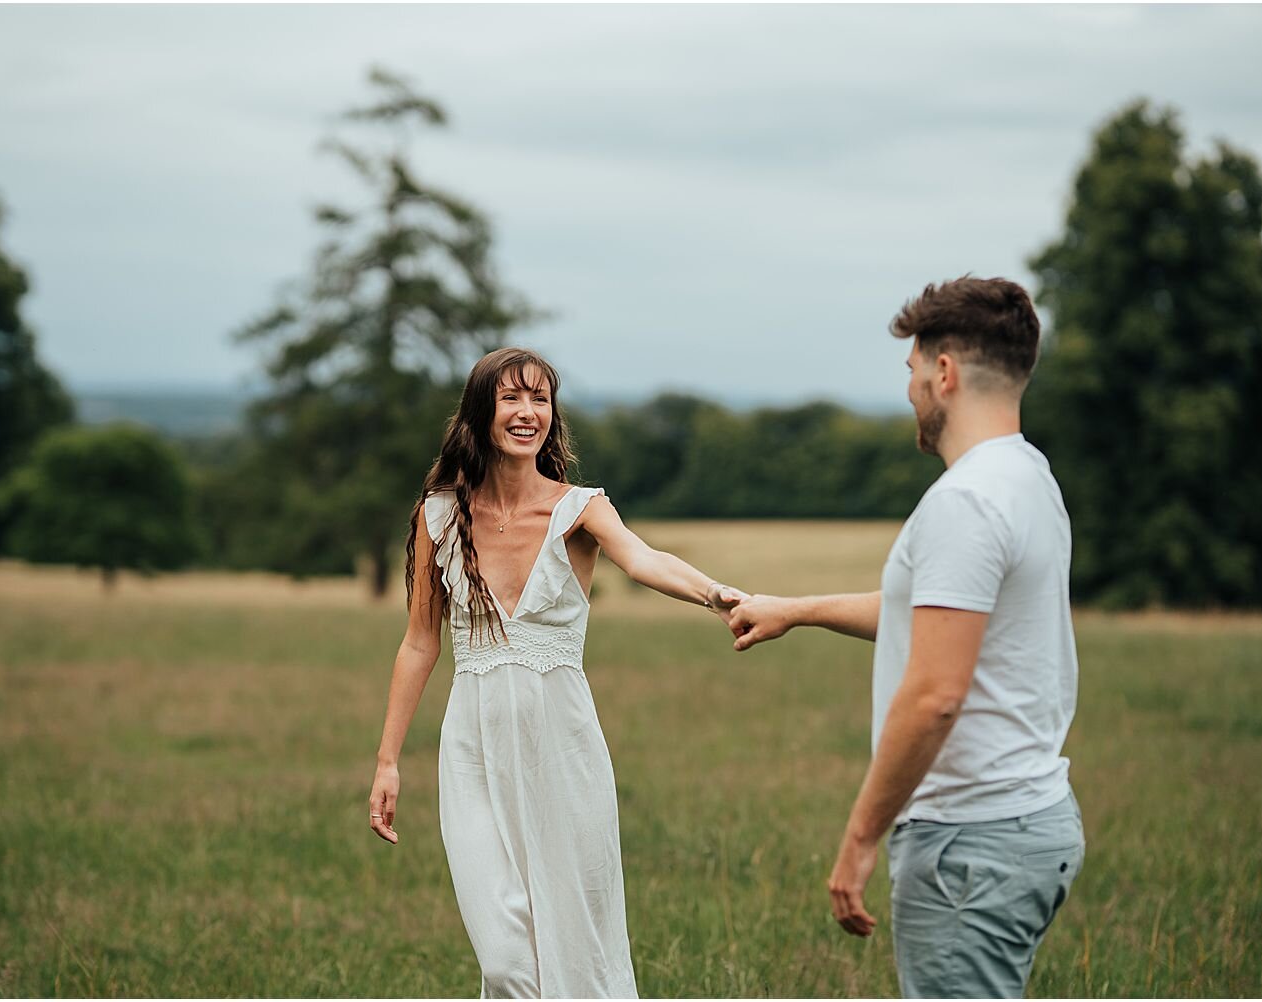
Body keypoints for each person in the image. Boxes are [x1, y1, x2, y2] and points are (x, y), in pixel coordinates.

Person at [727, 277, 1084, 999]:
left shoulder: (966, 503)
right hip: (1027, 822)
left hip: (969, 842)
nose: (912, 391)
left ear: (945, 372)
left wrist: (861, 839)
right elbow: (941, 617)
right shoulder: (1028, 477)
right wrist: (796, 609)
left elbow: (934, 695)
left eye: (914, 372)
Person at [368, 347, 742, 999]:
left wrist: (718, 596)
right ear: (482, 411)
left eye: (540, 399)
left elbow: (645, 559)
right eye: (512, 397)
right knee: (507, 962)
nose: (527, 412)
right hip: (473, 756)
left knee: (578, 949)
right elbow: (420, 643)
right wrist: (388, 761)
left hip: (564, 755)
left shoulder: (580, 509)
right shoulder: (438, 515)